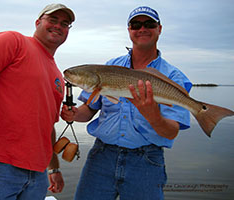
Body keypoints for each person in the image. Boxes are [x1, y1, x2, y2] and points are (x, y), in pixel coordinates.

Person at [61, 6, 192, 200]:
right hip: (101, 157)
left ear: (159, 29)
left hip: (146, 161)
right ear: (129, 30)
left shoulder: (173, 77)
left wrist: (152, 115)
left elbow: (171, 131)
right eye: (135, 25)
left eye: (149, 24)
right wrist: (74, 114)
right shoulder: (111, 66)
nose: (142, 29)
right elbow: (88, 110)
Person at [0, 3, 75, 199]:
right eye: (52, 20)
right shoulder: (13, 41)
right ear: (37, 22)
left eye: (65, 23)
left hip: (37, 173)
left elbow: (47, 126)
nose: (58, 26)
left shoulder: (57, 75)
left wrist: (53, 168)